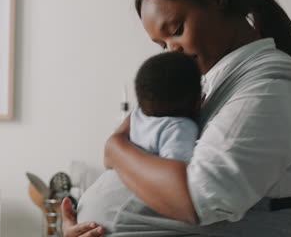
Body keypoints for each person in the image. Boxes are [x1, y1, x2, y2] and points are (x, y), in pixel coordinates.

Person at [61, 0, 291, 236]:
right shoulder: (206, 82)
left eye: (176, 31)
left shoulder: (271, 88)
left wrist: (114, 148)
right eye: (162, 45)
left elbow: (201, 199)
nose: (172, 50)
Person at [77, 52, 202, 233]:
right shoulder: (181, 128)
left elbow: (111, 153)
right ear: (198, 100)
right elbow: (174, 179)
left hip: (98, 219)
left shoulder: (138, 115)